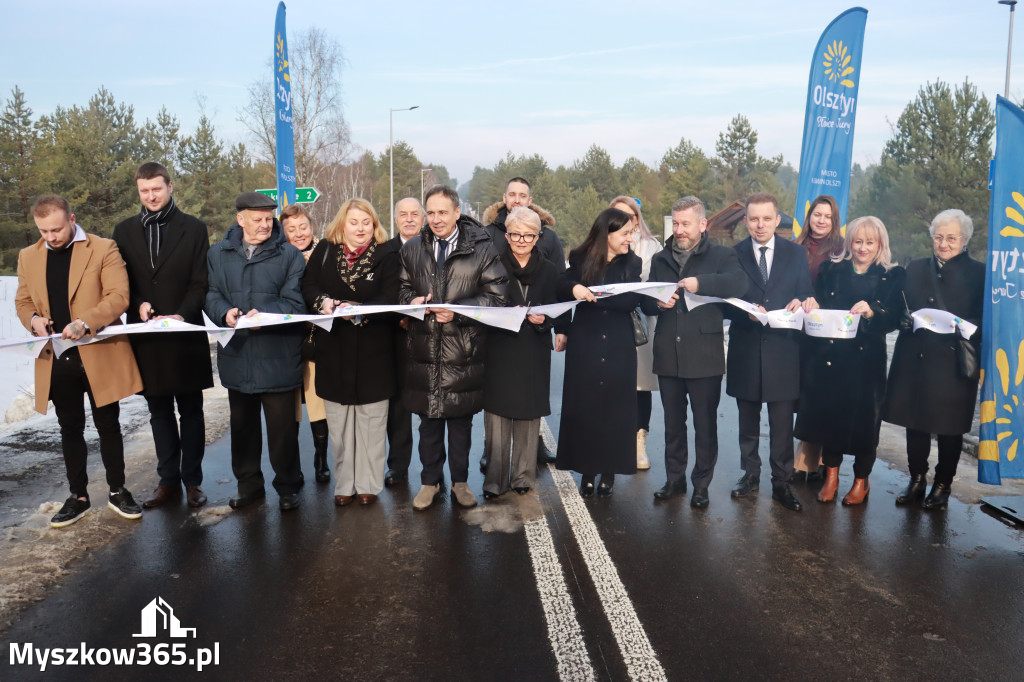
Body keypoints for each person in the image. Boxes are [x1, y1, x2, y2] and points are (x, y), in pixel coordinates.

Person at [15, 195, 144, 528]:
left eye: (56, 229)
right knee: (68, 427)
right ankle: (78, 497)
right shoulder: (28, 256)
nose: (51, 237)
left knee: (108, 424)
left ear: (72, 219)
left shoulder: (103, 248)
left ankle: (118, 490)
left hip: (98, 351)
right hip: (57, 356)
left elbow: (119, 296)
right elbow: (23, 300)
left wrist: (86, 321)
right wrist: (32, 321)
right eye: (44, 231)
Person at [399, 185, 507, 511]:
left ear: (457, 213)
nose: (436, 219)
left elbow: (498, 296)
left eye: (442, 212)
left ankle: (460, 483)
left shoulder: (482, 249)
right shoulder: (413, 249)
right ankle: (429, 483)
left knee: (460, 425)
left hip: (463, 352)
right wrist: (412, 303)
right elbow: (401, 291)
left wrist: (458, 312)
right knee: (429, 424)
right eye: (430, 213)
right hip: (424, 352)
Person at [112, 162, 213, 510]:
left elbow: (201, 281)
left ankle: (193, 481)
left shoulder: (194, 228)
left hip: (184, 334)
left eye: (157, 188)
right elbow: (122, 283)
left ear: (170, 186)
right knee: (158, 412)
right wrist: (137, 304)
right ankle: (167, 480)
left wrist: (181, 314)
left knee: (191, 410)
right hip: (147, 336)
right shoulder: (123, 232)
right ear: (138, 192)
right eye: (144, 191)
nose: (151, 196)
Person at [205, 192, 306, 511]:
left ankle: (288, 486)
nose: (264, 225)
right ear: (240, 219)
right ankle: (249, 486)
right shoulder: (217, 254)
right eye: (258, 219)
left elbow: (294, 302)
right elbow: (211, 293)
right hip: (238, 356)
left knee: (282, 433)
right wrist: (225, 313)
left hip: (277, 356)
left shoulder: (289, 255)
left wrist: (260, 314)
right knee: (243, 429)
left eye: (268, 219)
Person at [794, 217, 905, 505]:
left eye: (870, 242)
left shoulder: (891, 275)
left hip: (866, 363)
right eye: (858, 241)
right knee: (831, 419)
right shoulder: (832, 269)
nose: (863, 248)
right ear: (849, 242)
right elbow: (816, 301)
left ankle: (861, 480)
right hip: (831, 358)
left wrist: (872, 313)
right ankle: (831, 476)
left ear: (880, 244)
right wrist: (812, 303)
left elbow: (894, 318)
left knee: (866, 424)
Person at [883, 209, 985, 510]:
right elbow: (899, 306)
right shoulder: (914, 268)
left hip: (953, 362)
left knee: (949, 427)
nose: (944, 244)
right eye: (939, 237)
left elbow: (988, 320)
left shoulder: (979, 274)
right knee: (915, 423)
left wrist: (964, 325)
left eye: (951, 238)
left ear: (964, 240)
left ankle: (943, 484)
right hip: (915, 357)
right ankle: (917, 479)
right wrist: (901, 318)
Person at [650, 197, 747, 507]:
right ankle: (674, 480)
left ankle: (701, 484)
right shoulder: (660, 258)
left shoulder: (722, 254)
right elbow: (647, 296)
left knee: (705, 425)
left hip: (705, 356)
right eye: (675, 223)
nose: (679, 230)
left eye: (685, 224)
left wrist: (699, 282)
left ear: (702, 225)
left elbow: (738, 283)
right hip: (668, 353)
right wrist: (655, 302)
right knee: (672, 424)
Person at [554, 207, 658, 497]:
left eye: (632, 232)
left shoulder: (632, 262)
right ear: (607, 233)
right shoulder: (580, 257)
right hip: (585, 342)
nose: (630, 238)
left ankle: (609, 472)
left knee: (615, 409)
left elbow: (630, 301)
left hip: (618, 343)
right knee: (586, 407)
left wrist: (595, 297)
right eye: (625, 233)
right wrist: (576, 288)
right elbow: (560, 286)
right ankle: (587, 471)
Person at [302, 199, 400, 507]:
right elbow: (308, 287)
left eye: (366, 222)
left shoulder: (388, 254)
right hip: (334, 351)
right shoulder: (325, 250)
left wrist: (360, 310)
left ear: (375, 225)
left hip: (374, 350)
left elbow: (392, 295)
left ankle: (369, 483)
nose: (360, 228)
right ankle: (344, 484)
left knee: (371, 423)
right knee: (340, 426)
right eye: (354, 222)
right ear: (342, 223)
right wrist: (326, 304)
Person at [725, 192, 815, 512]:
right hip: (746, 348)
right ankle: (750, 475)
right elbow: (724, 303)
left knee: (781, 425)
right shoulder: (732, 255)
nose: (760, 225)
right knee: (747, 421)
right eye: (754, 219)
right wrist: (743, 311)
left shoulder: (795, 254)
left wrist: (801, 301)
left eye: (766, 219)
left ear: (778, 220)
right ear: (746, 220)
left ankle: (782, 482)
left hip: (783, 351)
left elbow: (806, 293)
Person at [482, 207, 560, 499]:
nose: (522, 240)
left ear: (538, 237)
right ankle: (494, 481)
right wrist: (504, 315)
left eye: (529, 235)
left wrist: (546, 321)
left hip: (533, 350)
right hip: (500, 348)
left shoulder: (550, 269)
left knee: (528, 418)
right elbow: (482, 306)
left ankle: (523, 477)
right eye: (516, 234)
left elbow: (556, 307)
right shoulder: (491, 266)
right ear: (506, 235)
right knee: (498, 419)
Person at [792, 194, 845, 482]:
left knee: (822, 397)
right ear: (809, 216)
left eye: (827, 216)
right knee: (801, 396)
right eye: (817, 214)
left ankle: (821, 460)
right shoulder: (794, 247)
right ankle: (805, 456)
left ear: (834, 220)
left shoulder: (842, 250)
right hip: (797, 331)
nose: (821, 220)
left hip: (828, 334)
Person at [610, 195, 661, 470]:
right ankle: (614, 441)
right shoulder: (600, 243)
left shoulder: (651, 246)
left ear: (638, 219)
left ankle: (639, 442)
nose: (624, 221)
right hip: (609, 323)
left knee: (641, 386)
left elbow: (648, 285)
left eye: (630, 216)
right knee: (613, 384)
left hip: (640, 322)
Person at [281, 204, 331, 484]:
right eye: (291, 229)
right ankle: (293, 466)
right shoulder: (279, 256)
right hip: (286, 341)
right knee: (289, 409)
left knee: (316, 404)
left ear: (311, 227)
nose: (299, 234)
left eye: (303, 227)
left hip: (315, 339)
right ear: (284, 232)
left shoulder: (325, 253)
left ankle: (321, 459)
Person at [383, 197, 423, 487]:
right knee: (397, 407)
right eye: (403, 215)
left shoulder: (434, 248)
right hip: (394, 338)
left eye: (414, 214)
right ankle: (398, 465)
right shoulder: (384, 251)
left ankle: (434, 469)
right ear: (395, 218)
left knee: (431, 407)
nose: (409, 219)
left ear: (422, 218)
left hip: (429, 336)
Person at [482, 177, 564, 268]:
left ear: (529, 201)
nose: (517, 200)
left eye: (522, 196)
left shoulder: (549, 237)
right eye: (512, 195)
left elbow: (560, 277)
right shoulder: (487, 235)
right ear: (504, 198)